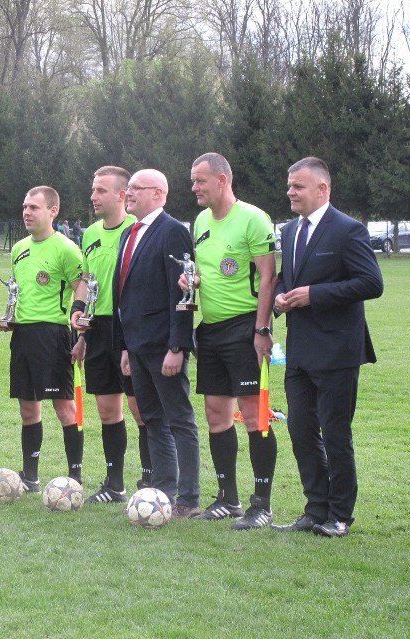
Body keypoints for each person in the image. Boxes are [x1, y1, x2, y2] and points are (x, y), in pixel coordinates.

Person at [272, 156, 383, 537]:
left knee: (336, 434)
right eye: (289, 186)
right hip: (299, 351)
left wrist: (314, 295)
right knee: (301, 430)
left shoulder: (348, 230)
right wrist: (281, 295)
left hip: (337, 352)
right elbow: (287, 277)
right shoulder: (288, 231)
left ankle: (340, 516)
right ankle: (315, 510)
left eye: (298, 186)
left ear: (323, 189)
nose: (290, 192)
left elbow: (371, 283)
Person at [186, 152, 278, 530]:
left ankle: (263, 504)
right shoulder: (200, 221)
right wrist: (190, 283)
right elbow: (203, 270)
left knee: (255, 415)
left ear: (222, 180)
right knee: (215, 414)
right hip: (209, 329)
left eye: (200, 181)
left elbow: (269, 279)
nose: (194, 188)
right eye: (193, 181)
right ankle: (229, 498)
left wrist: (261, 329)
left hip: (245, 328)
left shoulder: (254, 219)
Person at [113, 169, 200, 519]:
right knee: (152, 419)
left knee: (179, 418)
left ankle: (189, 498)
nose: (128, 193)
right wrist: (125, 347)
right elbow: (125, 297)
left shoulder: (173, 232)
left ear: (159, 194)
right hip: (136, 346)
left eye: (136, 188)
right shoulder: (128, 234)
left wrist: (177, 346)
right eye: (128, 188)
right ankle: (165, 492)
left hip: (164, 347)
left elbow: (183, 294)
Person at [70, 166, 149, 504]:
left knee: (140, 408)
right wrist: (79, 316)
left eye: (100, 190)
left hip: (131, 326)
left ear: (121, 195)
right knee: (107, 409)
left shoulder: (139, 229)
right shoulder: (89, 233)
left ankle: (150, 479)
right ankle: (114, 484)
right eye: (93, 189)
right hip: (99, 327)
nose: (93, 196)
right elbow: (88, 279)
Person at [1, 186, 84, 492]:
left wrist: (79, 325)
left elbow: (82, 287)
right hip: (23, 335)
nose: (27, 212)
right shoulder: (19, 248)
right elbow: (18, 292)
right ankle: (30, 476)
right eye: (25, 206)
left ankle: (74, 476)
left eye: (34, 207)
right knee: (28, 408)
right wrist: (11, 319)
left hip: (54, 336)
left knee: (64, 407)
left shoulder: (65, 248)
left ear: (53, 211)